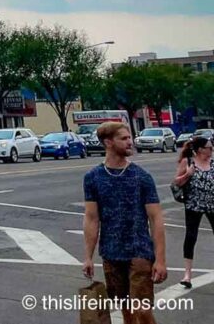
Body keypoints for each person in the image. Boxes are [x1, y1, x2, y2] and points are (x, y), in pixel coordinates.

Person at [83, 121, 167, 324]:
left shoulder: (142, 177)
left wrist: (160, 260)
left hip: (140, 252)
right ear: (108, 142)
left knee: (142, 311)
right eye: (124, 138)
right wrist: (88, 257)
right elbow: (92, 218)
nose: (130, 142)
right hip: (111, 252)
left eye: (130, 137)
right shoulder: (93, 177)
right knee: (126, 310)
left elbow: (156, 218)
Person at [172, 134, 214, 288]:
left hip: (212, 205)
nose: (211, 150)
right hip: (193, 205)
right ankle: (187, 275)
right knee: (191, 236)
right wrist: (187, 174)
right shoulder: (188, 162)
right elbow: (175, 182)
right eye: (209, 148)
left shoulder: (213, 163)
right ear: (200, 150)